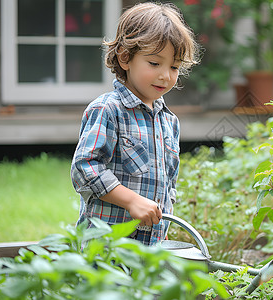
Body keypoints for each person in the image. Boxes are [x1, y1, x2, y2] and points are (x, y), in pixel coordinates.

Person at [71, 2, 199, 246]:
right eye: (154, 63)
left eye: (174, 67)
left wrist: (164, 227)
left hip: (151, 246)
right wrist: (131, 201)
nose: (165, 75)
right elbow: (84, 169)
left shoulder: (169, 122)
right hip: (108, 245)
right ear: (125, 57)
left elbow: (168, 186)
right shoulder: (108, 110)